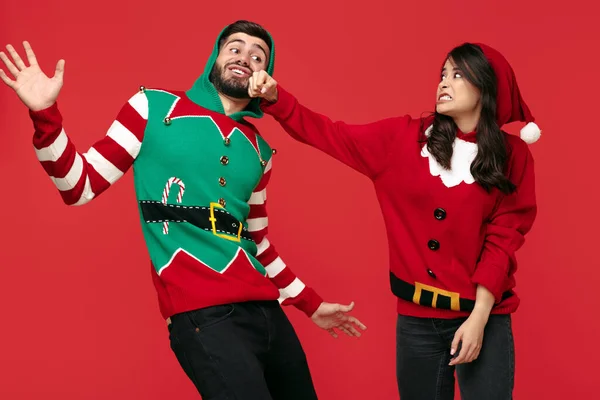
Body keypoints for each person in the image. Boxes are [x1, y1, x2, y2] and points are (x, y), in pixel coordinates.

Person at [0, 20, 367, 400]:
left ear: (264, 77)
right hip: (205, 316)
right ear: (215, 56)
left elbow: (258, 244)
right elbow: (79, 185)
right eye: (235, 48)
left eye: (258, 56)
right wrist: (45, 114)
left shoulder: (260, 151)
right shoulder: (153, 107)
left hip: (268, 313)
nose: (245, 57)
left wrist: (310, 305)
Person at [248, 42, 539, 399]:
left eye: (458, 74)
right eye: (443, 74)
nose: (444, 82)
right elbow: (328, 133)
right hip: (417, 323)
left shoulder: (514, 156)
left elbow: (504, 238)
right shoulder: (403, 139)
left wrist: (479, 318)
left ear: (487, 87)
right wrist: (277, 99)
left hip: (484, 317)